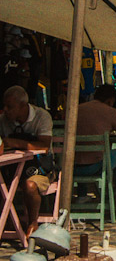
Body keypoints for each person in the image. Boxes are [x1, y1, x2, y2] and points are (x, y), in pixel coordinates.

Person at [0, 86, 54, 237]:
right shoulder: (3, 120)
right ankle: (7, 220)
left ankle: (33, 222)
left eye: (10, 107)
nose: (5, 110)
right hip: (11, 169)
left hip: (39, 168)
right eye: (4, 106)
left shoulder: (41, 116)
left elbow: (44, 146)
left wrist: (15, 143)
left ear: (23, 106)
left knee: (29, 185)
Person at [75, 84, 116, 205]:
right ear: (110, 100)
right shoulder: (111, 112)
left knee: (82, 152)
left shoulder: (77, 109)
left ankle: (82, 194)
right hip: (95, 166)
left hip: (73, 166)